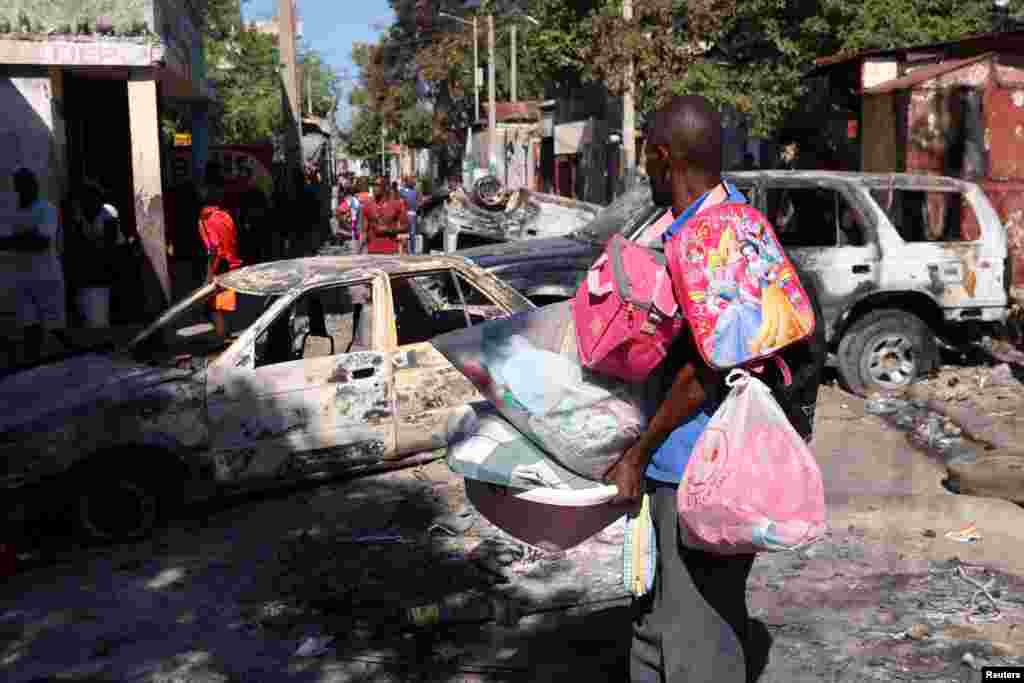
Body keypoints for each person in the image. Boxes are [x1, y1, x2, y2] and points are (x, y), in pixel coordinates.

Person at [604, 96, 756, 683]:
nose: (645, 168)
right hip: (673, 462)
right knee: (654, 616)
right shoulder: (699, 220)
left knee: (698, 632)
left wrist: (639, 453)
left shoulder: (714, 238)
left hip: (698, 469)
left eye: (647, 155)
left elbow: (704, 372)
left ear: (662, 156)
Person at [0, 168, 65, 363]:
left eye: (29, 184)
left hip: (47, 279)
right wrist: (24, 238)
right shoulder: (14, 213)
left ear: (35, 186)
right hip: (23, 280)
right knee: (29, 329)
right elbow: (8, 242)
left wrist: (15, 241)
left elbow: (42, 243)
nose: (26, 188)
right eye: (21, 184)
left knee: (55, 330)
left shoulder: (46, 209)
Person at [66, 181, 119, 328]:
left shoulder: (108, 212)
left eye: (93, 196)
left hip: (106, 271)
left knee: (102, 319)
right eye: (85, 197)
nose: (89, 201)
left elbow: (108, 244)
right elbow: (76, 244)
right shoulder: (79, 216)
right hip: (86, 274)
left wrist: (92, 244)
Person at [198, 169, 243, 338]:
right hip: (231, 268)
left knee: (215, 310)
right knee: (222, 309)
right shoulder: (226, 216)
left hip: (220, 270)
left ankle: (222, 345)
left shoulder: (206, 218)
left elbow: (213, 250)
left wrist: (208, 278)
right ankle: (224, 340)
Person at [364, 179, 408, 254]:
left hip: (391, 250)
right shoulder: (367, 205)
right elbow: (363, 232)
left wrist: (388, 230)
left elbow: (405, 227)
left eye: (377, 185)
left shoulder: (396, 204)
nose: (374, 188)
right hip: (372, 251)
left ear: (385, 187)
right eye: (373, 185)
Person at [399, 176, 419, 254]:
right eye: (411, 181)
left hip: (413, 214)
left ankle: (412, 251)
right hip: (405, 214)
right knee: (404, 233)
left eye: (413, 181)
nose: (413, 182)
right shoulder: (402, 190)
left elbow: (418, 200)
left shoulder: (415, 191)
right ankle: (405, 250)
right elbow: (399, 201)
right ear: (406, 182)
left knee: (412, 233)